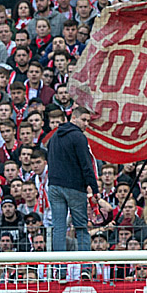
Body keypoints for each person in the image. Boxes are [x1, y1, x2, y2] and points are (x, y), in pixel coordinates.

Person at [47, 105, 98, 254]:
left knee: (59, 229)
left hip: (54, 186)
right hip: (74, 187)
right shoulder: (79, 137)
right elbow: (86, 165)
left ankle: (59, 270)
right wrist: (94, 189)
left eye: (88, 121)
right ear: (73, 118)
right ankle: (86, 269)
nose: (86, 124)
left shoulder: (54, 136)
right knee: (81, 228)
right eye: (84, 120)